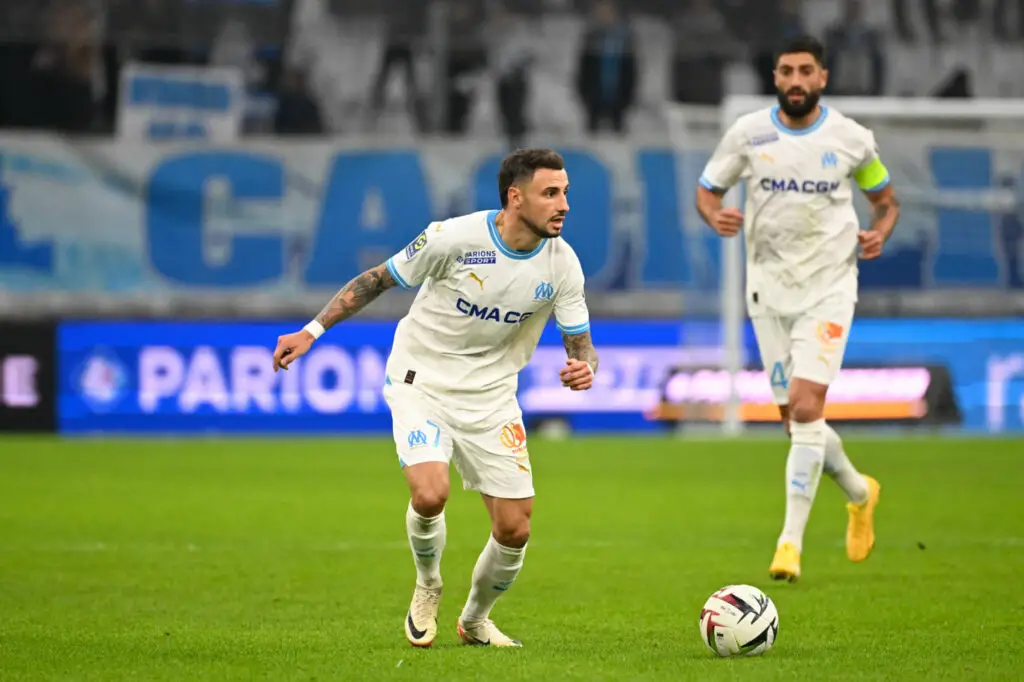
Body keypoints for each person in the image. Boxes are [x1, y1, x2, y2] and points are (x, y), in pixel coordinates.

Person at [271, 148, 598, 646]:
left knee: (515, 529)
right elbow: (376, 279)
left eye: (566, 193)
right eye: (550, 193)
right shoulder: (453, 237)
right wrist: (311, 331)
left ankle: (475, 620)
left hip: (491, 397)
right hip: (420, 379)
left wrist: (585, 367)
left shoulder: (563, 265)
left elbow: (582, 346)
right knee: (429, 494)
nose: (564, 205)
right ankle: (428, 585)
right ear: (515, 197)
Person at [695, 35, 899, 581]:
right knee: (795, 423)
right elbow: (708, 190)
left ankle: (790, 544)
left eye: (806, 70)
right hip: (767, 290)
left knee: (808, 408)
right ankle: (860, 491)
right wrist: (714, 215)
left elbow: (885, 201)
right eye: (786, 70)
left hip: (829, 287)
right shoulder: (748, 133)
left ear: (822, 77)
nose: (795, 80)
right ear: (775, 77)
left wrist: (879, 232)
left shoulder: (851, 139)